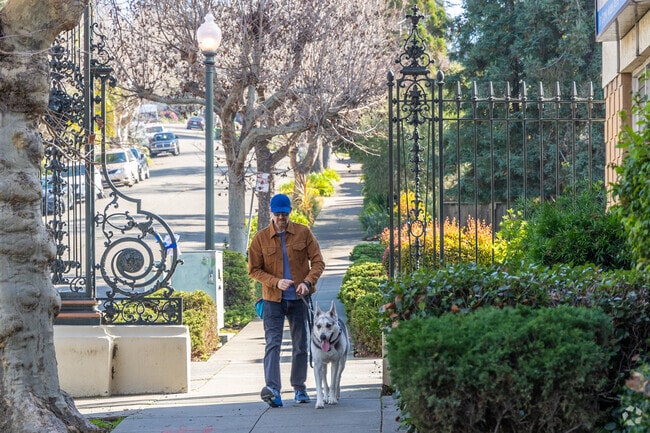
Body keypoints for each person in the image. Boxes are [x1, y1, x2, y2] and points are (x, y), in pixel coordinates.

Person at [248, 193, 325, 408]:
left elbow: (318, 262)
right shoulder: (260, 239)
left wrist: (307, 283)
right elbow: (253, 269)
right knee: (273, 343)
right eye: (278, 214)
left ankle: (299, 388)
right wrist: (275, 282)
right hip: (273, 299)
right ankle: (273, 390)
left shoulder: (303, 232)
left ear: (290, 212)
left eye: (285, 213)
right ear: (271, 213)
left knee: (300, 344)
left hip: (299, 298)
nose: (282, 217)